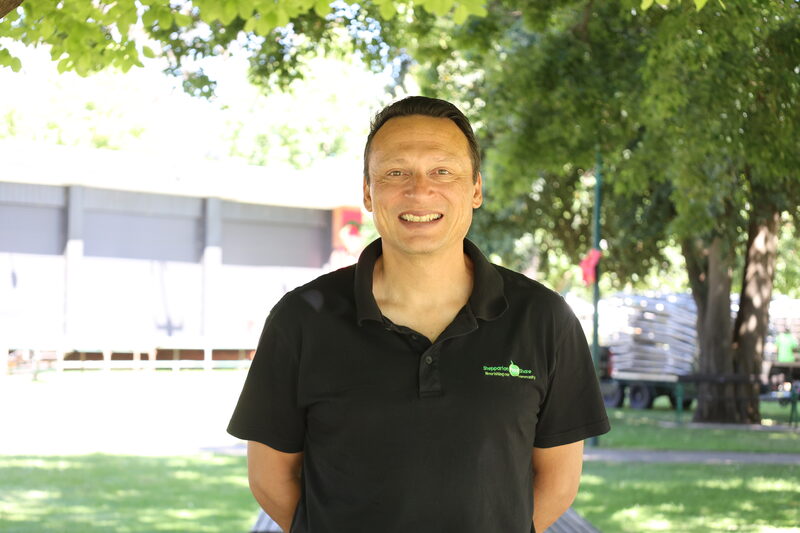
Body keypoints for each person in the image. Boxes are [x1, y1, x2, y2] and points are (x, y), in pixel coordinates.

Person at [227, 96, 610, 533]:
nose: (420, 190)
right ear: (368, 192)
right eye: (396, 173)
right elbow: (270, 477)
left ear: (476, 189)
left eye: (442, 171)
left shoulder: (544, 319)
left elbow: (558, 481)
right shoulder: (300, 319)